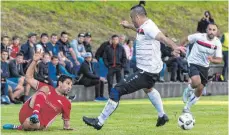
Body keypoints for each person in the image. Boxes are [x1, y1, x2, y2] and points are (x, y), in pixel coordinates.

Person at [82, 1, 183, 130]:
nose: (132, 20)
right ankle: (162, 115)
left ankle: (99, 121)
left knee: (116, 90)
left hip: (147, 72)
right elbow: (140, 30)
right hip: (150, 70)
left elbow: (163, 38)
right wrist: (129, 26)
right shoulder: (145, 27)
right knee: (148, 89)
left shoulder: (150, 27)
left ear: (137, 17)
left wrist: (175, 47)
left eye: (132, 18)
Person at [3, 52, 74, 131]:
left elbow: (66, 125)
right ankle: (35, 114)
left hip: (38, 125)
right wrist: (34, 61)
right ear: (60, 83)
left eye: (71, 85)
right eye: (68, 83)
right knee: (45, 88)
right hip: (27, 112)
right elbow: (28, 78)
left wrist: (68, 128)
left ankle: (19, 127)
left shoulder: (66, 103)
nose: (69, 87)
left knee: (32, 122)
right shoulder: (48, 88)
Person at [181, 23, 222, 114]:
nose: (211, 32)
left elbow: (219, 60)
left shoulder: (217, 43)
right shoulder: (199, 37)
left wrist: (212, 59)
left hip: (205, 67)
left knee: (200, 89)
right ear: (206, 30)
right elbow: (187, 38)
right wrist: (180, 47)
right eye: (210, 29)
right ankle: (188, 90)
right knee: (196, 81)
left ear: (216, 32)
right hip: (193, 62)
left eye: (214, 30)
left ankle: (187, 107)